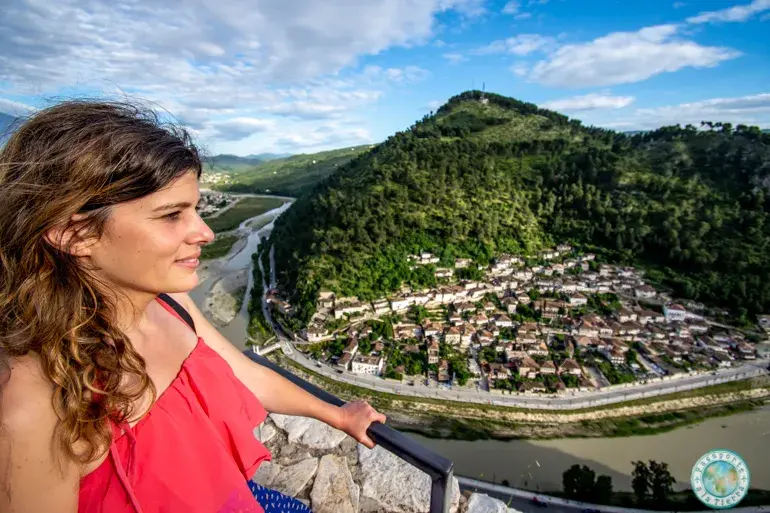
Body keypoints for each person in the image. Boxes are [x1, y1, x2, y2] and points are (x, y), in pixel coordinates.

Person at [0, 100, 387, 513]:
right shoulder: (35, 403)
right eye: (171, 215)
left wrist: (336, 414)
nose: (204, 232)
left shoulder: (171, 303)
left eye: (196, 209)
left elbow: (246, 375)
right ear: (74, 235)